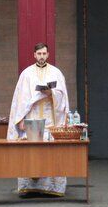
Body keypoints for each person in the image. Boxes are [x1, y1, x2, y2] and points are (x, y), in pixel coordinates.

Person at [6, 42, 70, 197]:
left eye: (44, 54)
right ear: (34, 55)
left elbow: (63, 97)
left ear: (48, 54)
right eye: (39, 54)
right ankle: (30, 187)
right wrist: (20, 119)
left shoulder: (56, 73)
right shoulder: (26, 74)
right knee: (31, 152)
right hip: (32, 119)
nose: (41, 56)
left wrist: (51, 93)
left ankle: (52, 188)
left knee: (51, 153)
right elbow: (20, 99)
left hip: (50, 121)